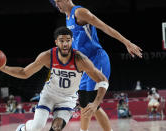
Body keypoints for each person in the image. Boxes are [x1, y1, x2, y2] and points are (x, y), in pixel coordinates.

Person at [0, 27, 109, 131]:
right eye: (61, 40)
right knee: (37, 127)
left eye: (68, 40)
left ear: (72, 41)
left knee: (57, 126)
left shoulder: (81, 60)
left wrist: (96, 103)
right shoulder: (47, 56)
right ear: (56, 42)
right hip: (49, 95)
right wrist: (3, 68)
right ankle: (22, 129)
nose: (65, 44)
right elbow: (24, 72)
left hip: (67, 99)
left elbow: (103, 80)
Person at [49, 0, 143, 131]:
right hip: (85, 65)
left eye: (58, 1)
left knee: (93, 103)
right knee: (83, 104)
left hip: (97, 60)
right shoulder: (67, 17)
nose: (56, 4)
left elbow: (104, 26)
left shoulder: (80, 12)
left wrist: (126, 42)